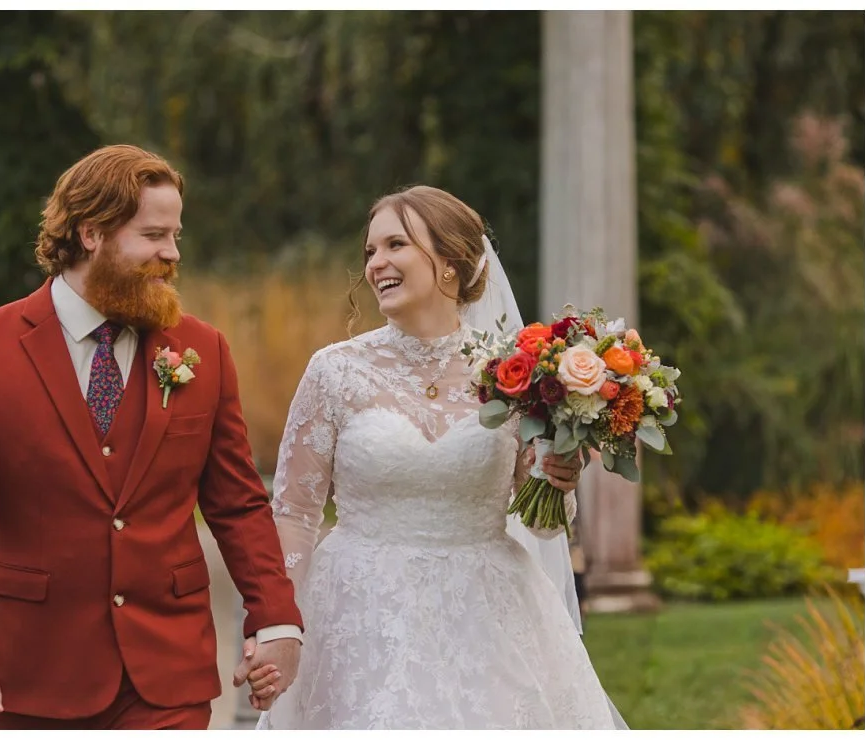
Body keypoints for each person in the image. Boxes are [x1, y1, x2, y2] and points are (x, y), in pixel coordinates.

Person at [0, 144, 303, 730]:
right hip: (35, 667)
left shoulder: (203, 350)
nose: (171, 254)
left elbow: (239, 503)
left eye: (175, 235)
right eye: (153, 236)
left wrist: (275, 621)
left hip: (169, 669)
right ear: (91, 232)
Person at [246, 185, 627, 729]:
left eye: (395, 245)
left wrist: (557, 481)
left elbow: (544, 527)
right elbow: (294, 514)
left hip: (488, 614)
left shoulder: (514, 374)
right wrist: (283, 622)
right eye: (370, 252)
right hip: (360, 616)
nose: (376, 264)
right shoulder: (334, 372)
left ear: (450, 263)